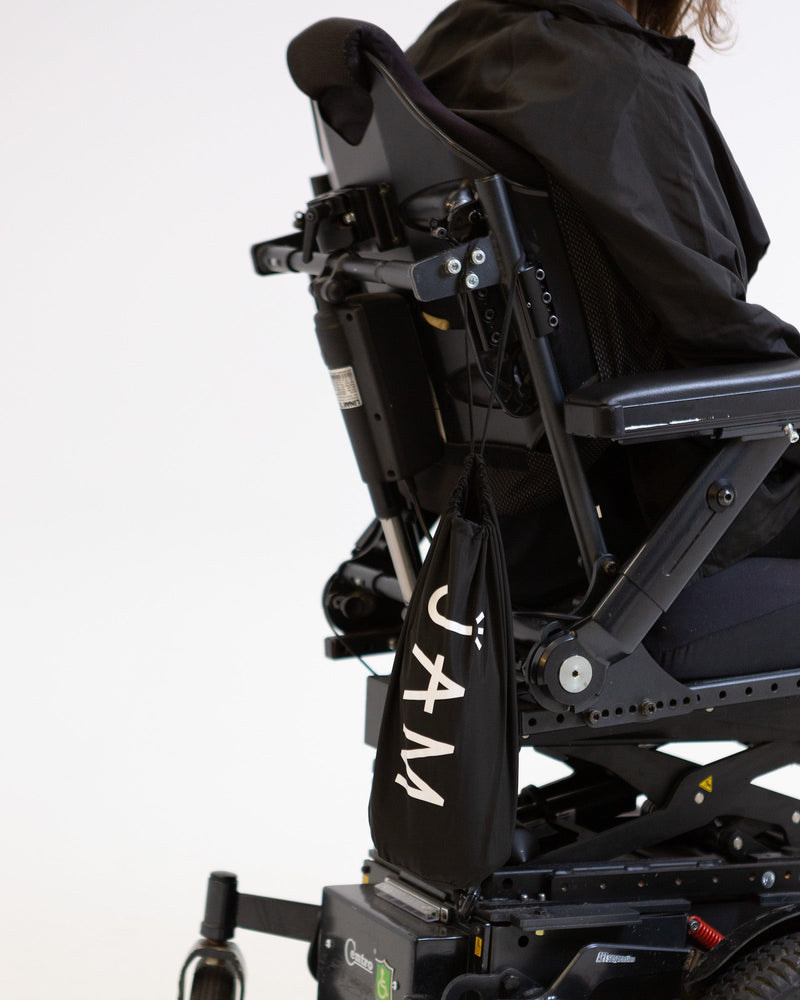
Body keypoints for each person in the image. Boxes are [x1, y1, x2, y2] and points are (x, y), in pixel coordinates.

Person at [405, 0, 800, 599]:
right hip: (655, 523)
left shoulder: (444, 48)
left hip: (516, 514)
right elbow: (715, 326)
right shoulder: (627, 81)